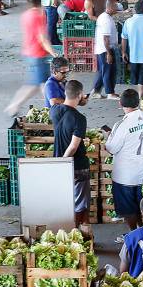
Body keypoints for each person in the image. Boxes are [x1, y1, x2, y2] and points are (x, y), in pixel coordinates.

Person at [104, 89, 143, 231]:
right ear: (138, 102)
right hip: (141, 170)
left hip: (124, 175)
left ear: (120, 103)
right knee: (139, 205)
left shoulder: (122, 125)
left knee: (128, 209)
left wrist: (109, 136)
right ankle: (141, 231)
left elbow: (111, 148)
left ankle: (134, 235)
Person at [4, 0, 57, 116]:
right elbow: (42, 38)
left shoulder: (26, 15)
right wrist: (53, 53)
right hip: (37, 54)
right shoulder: (39, 15)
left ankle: (52, 107)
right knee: (35, 85)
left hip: (29, 51)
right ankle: (14, 105)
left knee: (44, 83)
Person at [50, 79, 91, 226]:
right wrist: (64, 162)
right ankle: (76, 231)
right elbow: (73, 146)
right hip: (77, 166)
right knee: (80, 204)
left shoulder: (54, 110)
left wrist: (59, 162)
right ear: (80, 94)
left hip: (57, 160)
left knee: (65, 200)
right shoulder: (79, 119)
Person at [92, 0, 120, 100]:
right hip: (105, 49)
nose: (116, 9)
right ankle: (110, 93)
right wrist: (109, 53)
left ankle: (95, 91)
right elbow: (105, 38)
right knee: (108, 71)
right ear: (110, 7)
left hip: (102, 48)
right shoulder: (106, 20)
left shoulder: (105, 16)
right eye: (115, 6)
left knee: (103, 71)